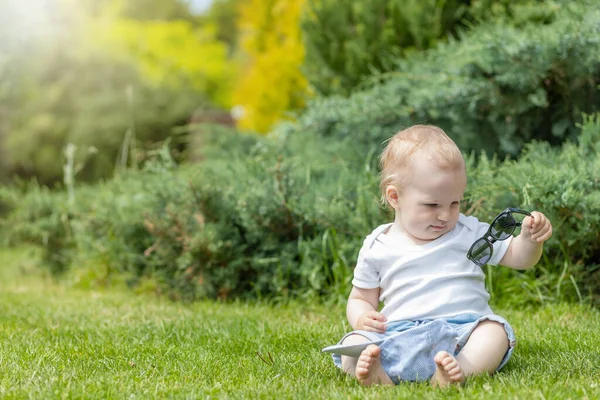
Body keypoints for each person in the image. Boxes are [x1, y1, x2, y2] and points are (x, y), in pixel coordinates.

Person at [332, 124, 553, 387]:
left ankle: (457, 371)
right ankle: (378, 374)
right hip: (399, 334)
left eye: (455, 203)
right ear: (395, 196)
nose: (446, 215)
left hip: (462, 333)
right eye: (432, 205)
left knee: (495, 332)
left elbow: (519, 258)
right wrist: (361, 317)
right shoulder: (378, 245)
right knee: (353, 342)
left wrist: (529, 239)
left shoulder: (469, 231)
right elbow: (360, 298)